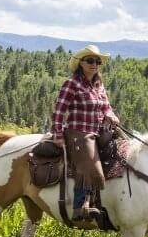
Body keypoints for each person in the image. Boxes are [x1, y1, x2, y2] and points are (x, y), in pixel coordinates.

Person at [50, 45, 120, 221]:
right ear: (80, 63)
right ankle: (80, 207)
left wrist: (111, 115)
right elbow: (59, 110)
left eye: (97, 61)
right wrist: (58, 134)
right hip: (78, 132)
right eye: (90, 60)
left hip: (96, 130)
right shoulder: (72, 83)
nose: (94, 64)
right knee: (90, 165)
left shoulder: (98, 85)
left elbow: (105, 107)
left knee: (121, 148)